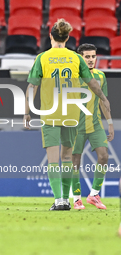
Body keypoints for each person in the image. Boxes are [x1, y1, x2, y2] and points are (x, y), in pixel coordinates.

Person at [24, 19, 111, 211]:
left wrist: (27, 111)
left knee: (53, 159)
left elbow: (32, 86)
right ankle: (66, 198)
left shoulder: (42, 58)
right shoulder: (75, 58)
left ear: (51, 36)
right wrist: (104, 98)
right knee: (66, 158)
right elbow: (92, 83)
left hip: (50, 114)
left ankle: (59, 201)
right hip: (71, 115)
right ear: (68, 37)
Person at [71, 44, 114, 210]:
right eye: (87, 56)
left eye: (93, 56)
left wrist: (109, 123)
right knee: (75, 162)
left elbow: (104, 102)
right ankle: (76, 198)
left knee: (104, 156)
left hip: (95, 124)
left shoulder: (101, 76)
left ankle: (94, 194)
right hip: (75, 126)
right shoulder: (73, 76)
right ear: (80, 58)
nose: (90, 60)